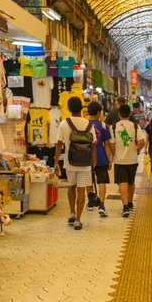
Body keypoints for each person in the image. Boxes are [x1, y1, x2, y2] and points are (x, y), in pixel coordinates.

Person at [54, 97, 97, 230]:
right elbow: (93, 145)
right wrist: (94, 162)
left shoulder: (63, 124)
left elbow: (59, 144)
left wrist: (56, 162)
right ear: (82, 108)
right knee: (81, 190)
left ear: (68, 109)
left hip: (69, 162)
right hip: (85, 163)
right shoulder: (89, 125)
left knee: (71, 187)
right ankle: (78, 219)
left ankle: (72, 213)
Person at [110, 104, 145, 217]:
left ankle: (125, 206)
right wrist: (138, 150)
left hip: (120, 160)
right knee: (131, 181)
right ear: (130, 114)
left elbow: (111, 143)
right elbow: (142, 141)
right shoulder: (135, 126)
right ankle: (130, 202)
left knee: (122, 182)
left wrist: (114, 153)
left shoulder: (114, 127)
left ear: (119, 114)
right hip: (133, 159)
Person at [86, 101, 112, 217]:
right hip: (101, 156)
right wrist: (109, 159)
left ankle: (91, 202)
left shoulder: (84, 124)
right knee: (102, 181)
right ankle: (102, 204)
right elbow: (106, 144)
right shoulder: (103, 125)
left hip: (87, 156)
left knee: (88, 180)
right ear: (98, 113)